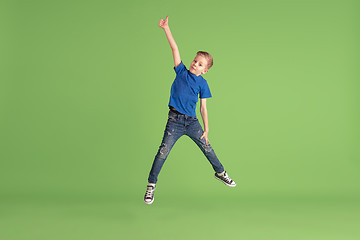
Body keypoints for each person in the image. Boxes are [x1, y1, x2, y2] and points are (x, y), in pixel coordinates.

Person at [144, 16, 236, 205]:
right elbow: (175, 49)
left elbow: (203, 107)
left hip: (192, 122)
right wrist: (166, 29)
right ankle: (151, 186)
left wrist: (207, 129)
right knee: (162, 152)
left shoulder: (203, 84)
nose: (195, 64)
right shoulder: (181, 71)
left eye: (200, 64)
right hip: (175, 121)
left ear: (205, 70)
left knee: (207, 148)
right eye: (195, 60)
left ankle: (221, 173)